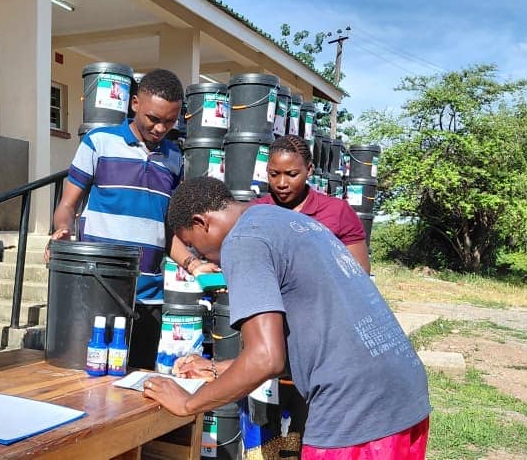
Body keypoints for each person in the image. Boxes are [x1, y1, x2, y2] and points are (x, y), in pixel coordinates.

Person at [144, 177, 430, 458]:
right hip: (403, 396)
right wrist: (221, 368)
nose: (202, 257)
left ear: (200, 223)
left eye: (192, 245)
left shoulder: (243, 240)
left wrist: (188, 403)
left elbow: (266, 358)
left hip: (355, 413)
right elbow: (313, 343)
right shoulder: (286, 221)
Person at [50, 69, 211, 368]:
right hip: (97, 290)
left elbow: (169, 230)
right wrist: (62, 229)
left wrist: (193, 263)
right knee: (85, 381)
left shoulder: (175, 159)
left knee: (133, 389)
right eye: (153, 118)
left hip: (148, 299)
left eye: (170, 121)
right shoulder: (98, 143)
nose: (161, 128)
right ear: (135, 103)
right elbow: (67, 205)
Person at [252, 134, 370, 273]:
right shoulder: (255, 211)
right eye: (274, 174)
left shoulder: (337, 211)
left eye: (292, 174)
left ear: (308, 170)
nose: (281, 183)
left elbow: (360, 272)